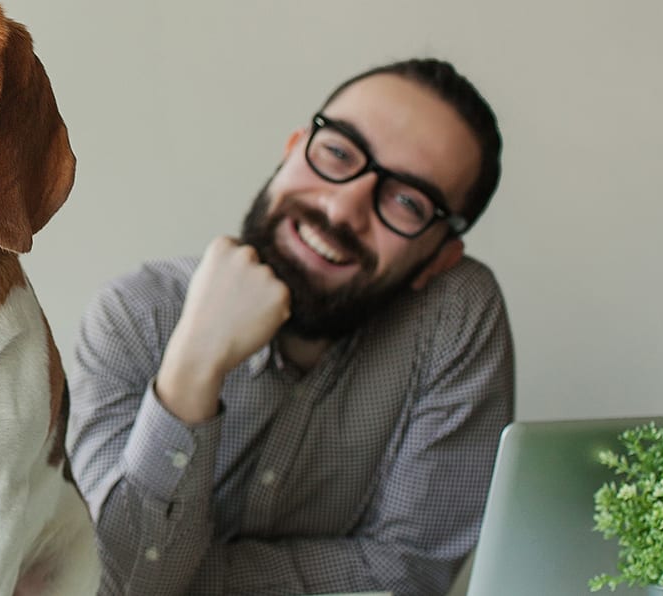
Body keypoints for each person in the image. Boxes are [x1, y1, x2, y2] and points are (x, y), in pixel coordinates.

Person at [67, 58, 514, 596]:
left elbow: (410, 575)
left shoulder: (454, 316)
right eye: (338, 152)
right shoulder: (136, 318)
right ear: (293, 148)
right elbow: (119, 586)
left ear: (440, 256)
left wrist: (184, 581)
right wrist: (194, 364)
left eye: (406, 200)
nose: (343, 206)